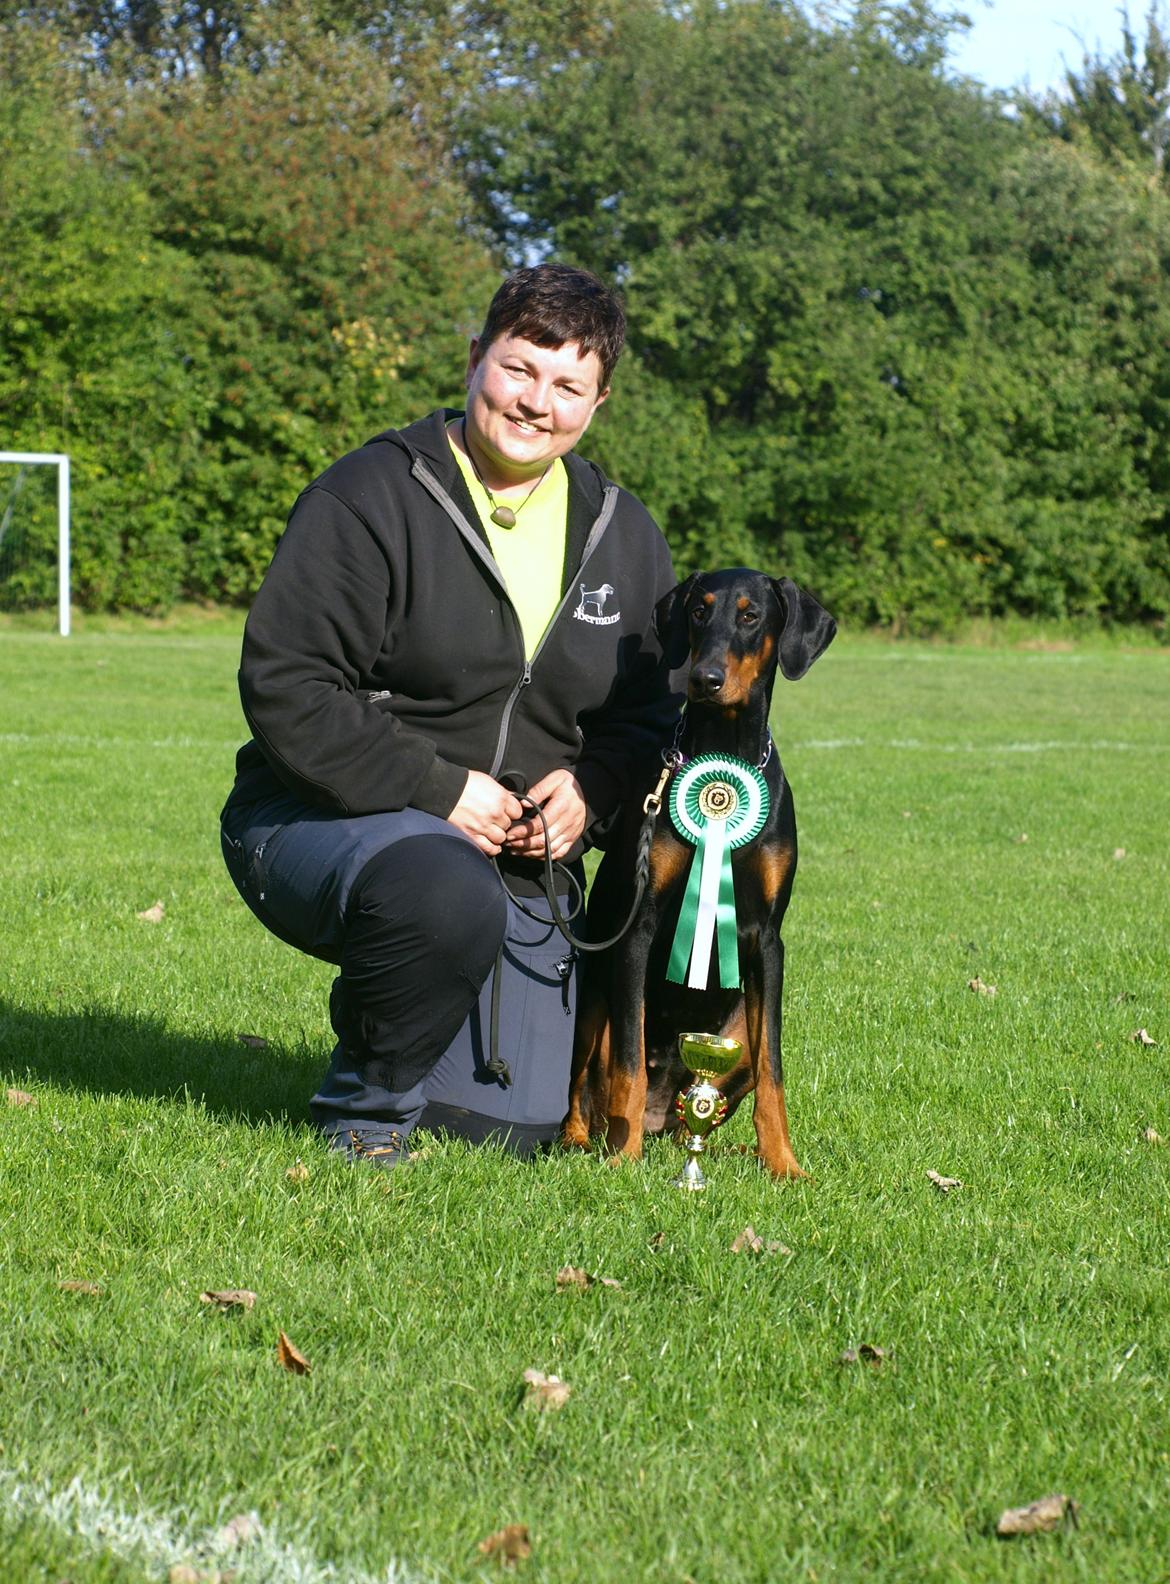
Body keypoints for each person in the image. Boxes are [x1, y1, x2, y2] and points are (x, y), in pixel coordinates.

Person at [220, 263, 679, 1167]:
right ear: (474, 360)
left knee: (509, 1131)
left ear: (598, 401)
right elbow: (288, 686)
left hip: (512, 861)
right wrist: (437, 791)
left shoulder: (626, 533)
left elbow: (648, 714)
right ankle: (365, 1108)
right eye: (518, 368)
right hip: (318, 821)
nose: (535, 402)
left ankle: (405, 1011)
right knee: (439, 889)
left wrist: (592, 788)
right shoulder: (369, 494)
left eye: (567, 384)